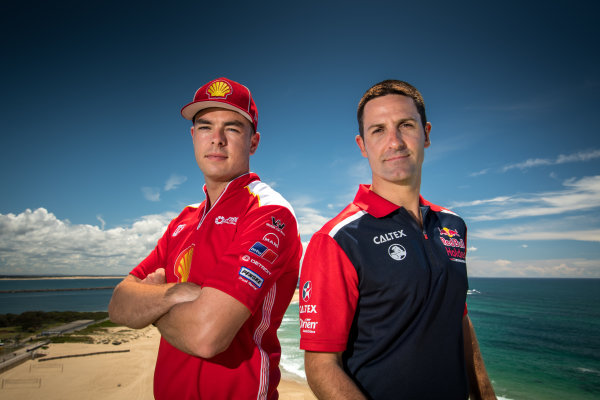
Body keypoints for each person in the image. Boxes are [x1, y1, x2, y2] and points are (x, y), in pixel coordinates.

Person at [299, 80, 496, 399]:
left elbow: (458, 317)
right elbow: (321, 366)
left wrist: (485, 396)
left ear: (426, 133)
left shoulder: (453, 225)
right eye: (378, 130)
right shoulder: (338, 239)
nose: (394, 142)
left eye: (405, 125)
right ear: (362, 145)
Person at [108, 77, 302, 400]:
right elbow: (118, 303)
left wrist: (150, 307)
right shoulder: (182, 221)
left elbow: (205, 336)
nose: (217, 140)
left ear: (253, 142)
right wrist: (174, 294)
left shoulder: (269, 213)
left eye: (233, 128)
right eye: (205, 127)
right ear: (193, 136)